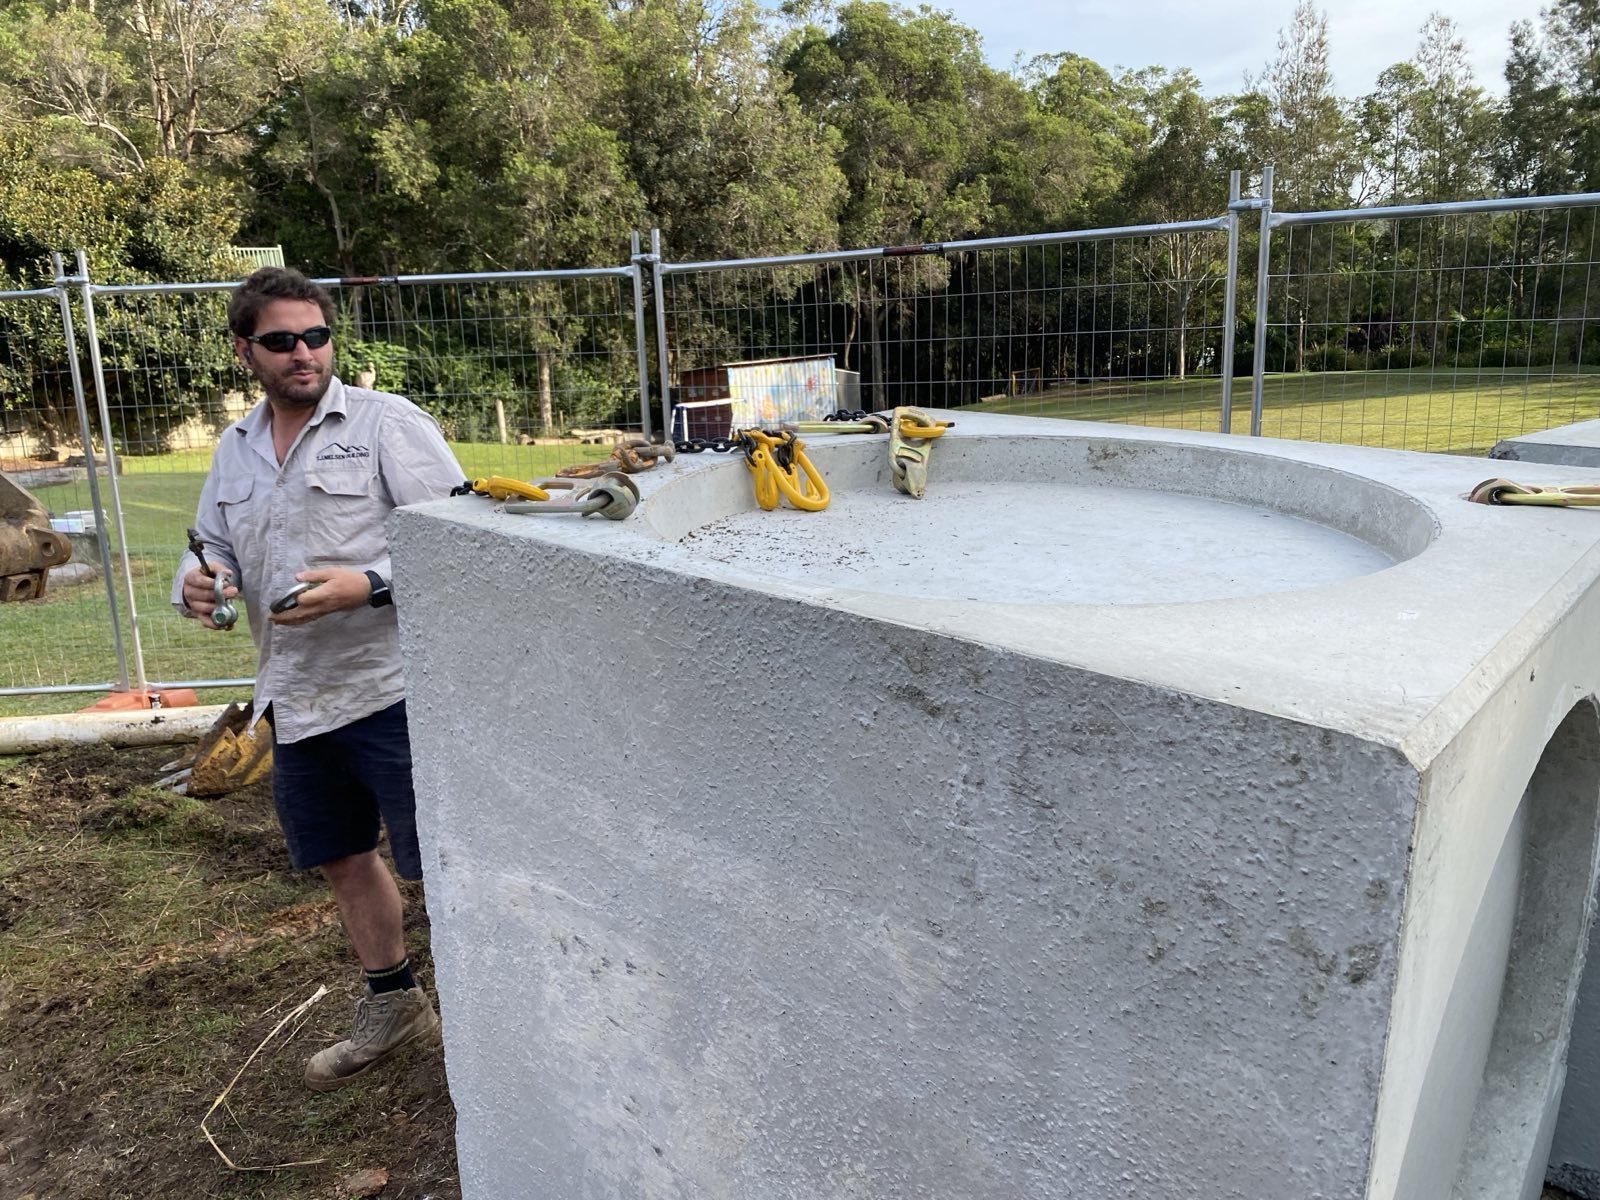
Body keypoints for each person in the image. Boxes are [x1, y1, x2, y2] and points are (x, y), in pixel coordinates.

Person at [172, 267, 464, 1091]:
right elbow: (209, 548)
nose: (303, 353)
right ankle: (395, 1002)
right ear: (244, 351)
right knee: (341, 857)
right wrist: (199, 582)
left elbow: (458, 538)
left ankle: (491, 1027)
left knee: (435, 863)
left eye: (316, 336)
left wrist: (364, 584)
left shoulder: (385, 424)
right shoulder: (231, 451)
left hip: (393, 687)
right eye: (281, 340)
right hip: (293, 699)